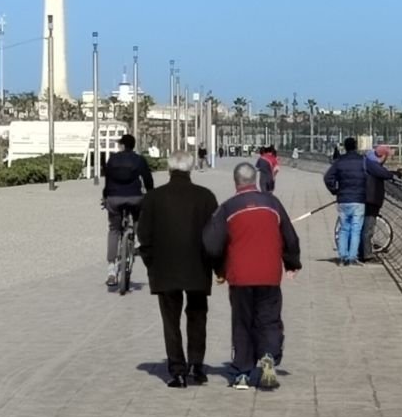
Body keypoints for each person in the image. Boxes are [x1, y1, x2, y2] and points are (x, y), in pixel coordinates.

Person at [203, 161, 301, 389]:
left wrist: (219, 268)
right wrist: (292, 263)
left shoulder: (228, 208)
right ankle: (268, 356)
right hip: (269, 273)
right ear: (255, 180)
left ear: (236, 182)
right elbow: (290, 236)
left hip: (240, 276)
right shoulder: (273, 203)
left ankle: (242, 373)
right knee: (269, 319)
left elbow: (211, 244)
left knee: (243, 321)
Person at [137, 151, 218, 387]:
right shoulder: (205, 197)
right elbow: (215, 234)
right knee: (197, 315)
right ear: (191, 169)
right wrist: (217, 265)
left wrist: (151, 262)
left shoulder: (154, 198)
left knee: (170, 320)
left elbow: (144, 235)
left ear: (169, 168)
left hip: (165, 268)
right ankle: (196, 364)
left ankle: (177, 370)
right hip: (198, 267)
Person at [103, 132, 155, 287]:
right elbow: (148, 179)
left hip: (114, 198)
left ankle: (111, 269)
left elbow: (107, 180)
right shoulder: (139, 160)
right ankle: (137, 239)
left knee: (114, 229)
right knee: (139, 215)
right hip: (134, 197)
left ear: (123, 145)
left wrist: (106, 197)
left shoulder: (112, 159)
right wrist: (150, 194)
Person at [323, 137, 367, 266]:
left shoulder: (339, 162)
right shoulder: (363, 161)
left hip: (343, 199)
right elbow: (370, 176)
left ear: (345, 147)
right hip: (359, 199)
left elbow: (327, 177)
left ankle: (343, 257)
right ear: (356, 146)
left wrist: (335, 190)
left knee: (344, 229)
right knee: (356, 229)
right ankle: (352, 257)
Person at [359, 143, 401, 262]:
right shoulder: (373, 164)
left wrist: (392, 173)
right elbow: (383, 173)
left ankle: (362, 252)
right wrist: (393, 175)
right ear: (382, 156)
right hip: (371, 200)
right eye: (386, 156)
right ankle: (367, 255)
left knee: (364, 227)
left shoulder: (369, 161)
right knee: (368, 228)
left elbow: (381, 172)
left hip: (367, 199)